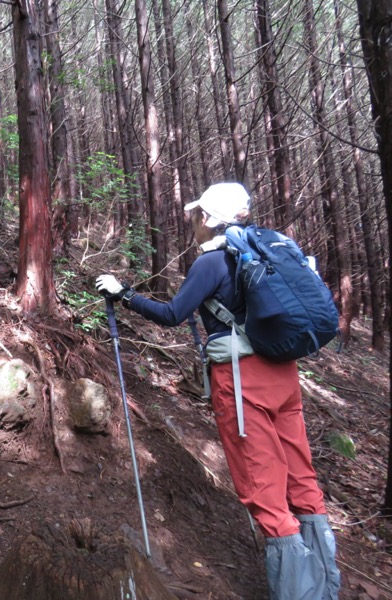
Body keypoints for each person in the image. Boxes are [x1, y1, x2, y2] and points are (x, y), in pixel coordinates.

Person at [96, 182, 340, 600]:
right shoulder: (266, 249)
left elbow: (173, 314)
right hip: (283, 374)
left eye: (195, 215)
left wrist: (124, 294)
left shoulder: (211, 262)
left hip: (243, 381)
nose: (192, 222)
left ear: (208, 218)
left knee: (263, 488)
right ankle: (325, 584)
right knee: (301, 478)